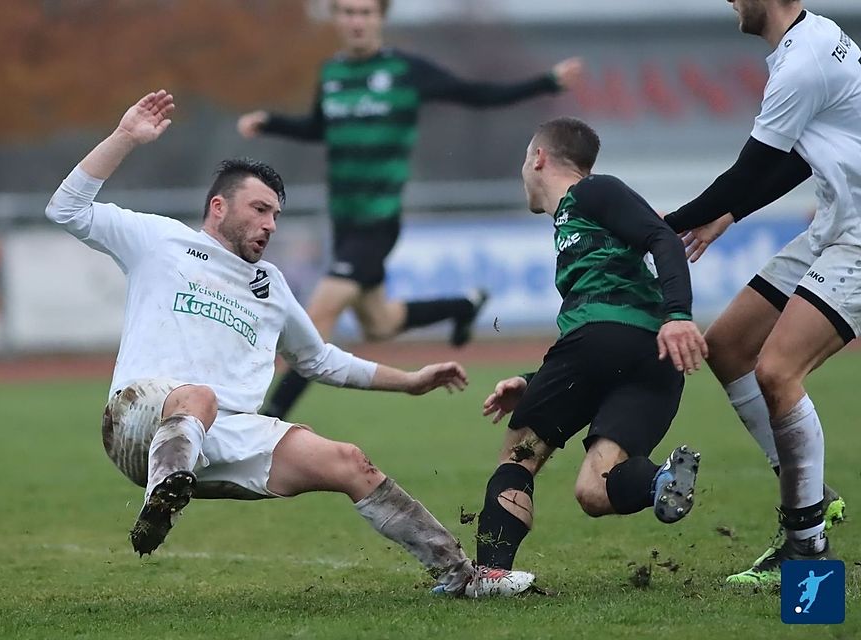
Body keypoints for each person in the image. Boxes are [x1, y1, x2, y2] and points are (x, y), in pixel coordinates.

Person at [45, 90, 535, 598]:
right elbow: (66, 208)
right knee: (199, 398)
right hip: (138, 419)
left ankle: (462, 578)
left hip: (224, 435)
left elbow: (319, 358)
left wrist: (409, 382)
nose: (270, 225)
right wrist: (125, 136)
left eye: (275, 214)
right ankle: (161, 496)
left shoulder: (271, 285)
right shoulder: (157, 240)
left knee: (350, 462)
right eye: (259, 210)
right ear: (218, 206)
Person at [237, 0, 584, 420]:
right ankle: (461, 305)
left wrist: (546, 82)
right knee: (379, 325)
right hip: (343, 221)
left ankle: (270, 416)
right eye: (347, 12)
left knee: (320, 313)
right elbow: (320, 127)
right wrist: (270, 123)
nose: (356, 21)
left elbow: (475, 94)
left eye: (365, 12)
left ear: (379, 18)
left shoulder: (406, 72)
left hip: (378, 219)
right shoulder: (332, 74)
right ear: (337, 19)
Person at [663, 0, 857, 584]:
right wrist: (727, 214)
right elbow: (796, 160)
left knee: (777, 372)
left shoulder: (802, 62)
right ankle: (813, 493)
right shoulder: (810, 40)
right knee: (727, 346)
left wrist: (661, 226)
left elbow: (751, 169)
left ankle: (808, 553)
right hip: (832, 225)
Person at [471, 117, 707, 574]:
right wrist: (533, 382)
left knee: (519, 456)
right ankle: (661, 479)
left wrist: (679, 315)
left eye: (525, 159)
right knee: (594, 492)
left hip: (619, 339)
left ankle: (491, 573)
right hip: (649, 360)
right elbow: (604, 353)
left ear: (538, 158)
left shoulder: (591, 191)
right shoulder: (580, 217)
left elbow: (662, 237)